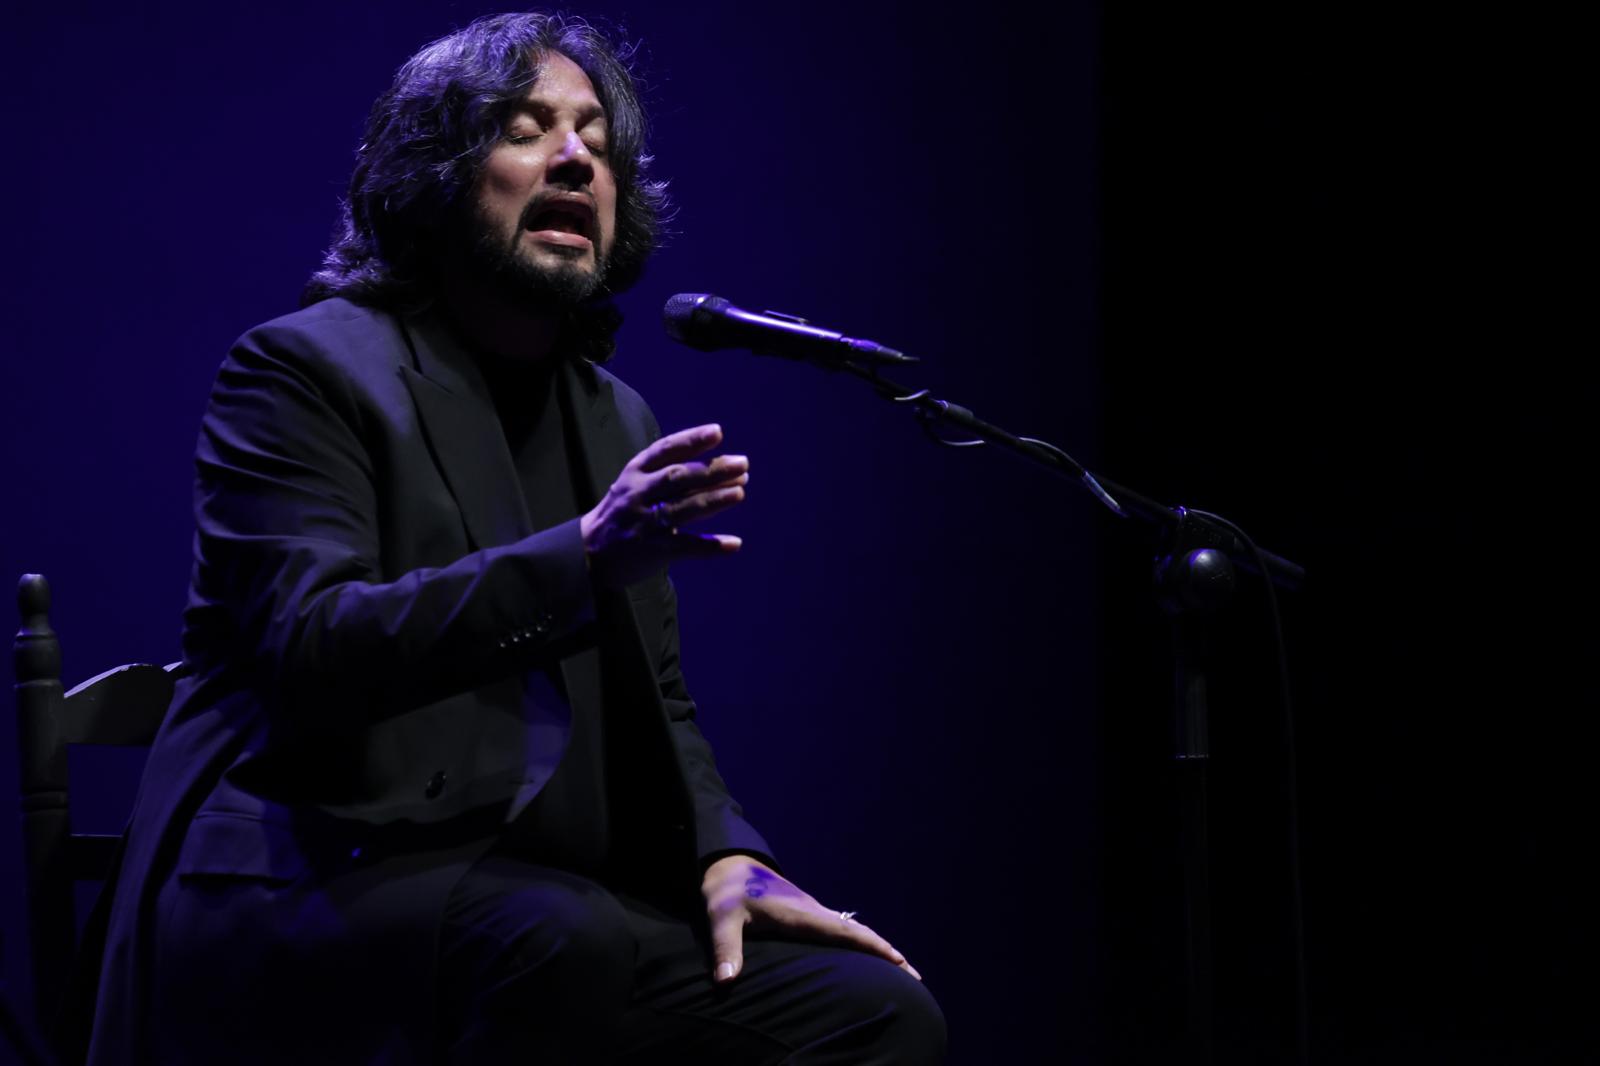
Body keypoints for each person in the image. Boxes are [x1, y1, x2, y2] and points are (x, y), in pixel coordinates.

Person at [66, 12, 945, 1066]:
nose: (576, 156)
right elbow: (307, 647)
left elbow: (657, 695)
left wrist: (723, 851)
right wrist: (576, 559)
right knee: (558, 938)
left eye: (596, 139)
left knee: (875, 1011)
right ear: (434, 176)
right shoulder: (300, 372)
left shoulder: (615, 414)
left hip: (521, 910)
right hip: (297, 878)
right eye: (526, 129)